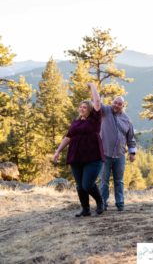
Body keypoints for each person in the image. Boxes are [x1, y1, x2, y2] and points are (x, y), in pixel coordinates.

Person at [53, 83, 104, 217]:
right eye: (80, 107)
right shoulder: (76, 122)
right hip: (76, 158)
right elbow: (68, 137)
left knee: (87, 184)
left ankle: (100, 202)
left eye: (85, 107)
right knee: (80, 186)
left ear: (90, 109)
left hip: (93, 157)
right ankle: (85, 209)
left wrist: (92, 86)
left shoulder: (95, 119)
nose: (82, 109)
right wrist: (58, 151)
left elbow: (97, 102)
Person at [100, 96, 137, 211]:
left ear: (123, 106)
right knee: (104, 181)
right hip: (105, 154)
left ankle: (120, 203)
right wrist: (92, 87)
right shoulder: (105, 112)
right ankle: (102, 203)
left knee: (119, 181)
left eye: (119, 104)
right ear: (112, 102)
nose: (116, 105)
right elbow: (97, 103)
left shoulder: (127, 120)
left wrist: (132, 153)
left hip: (120, 154)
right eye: (115, 102)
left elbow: (131, 138)